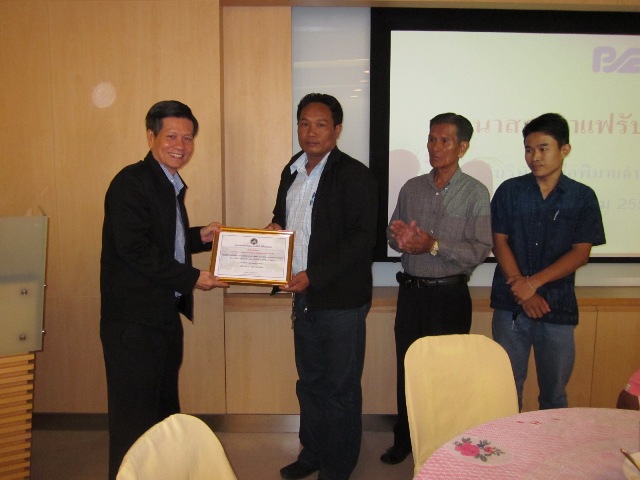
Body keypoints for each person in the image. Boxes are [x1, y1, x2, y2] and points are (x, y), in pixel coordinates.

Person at [100, 100, 229, 479]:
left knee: (162, 416)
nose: (181, 145)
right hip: (133, 325)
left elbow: (162, 240)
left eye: (188, 138)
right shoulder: (131, 183)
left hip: (161, 318)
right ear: (150, 136)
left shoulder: (167, 182)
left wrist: (200, 236)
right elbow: (136, 250)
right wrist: (192, 278)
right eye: (172, 136)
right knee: (133, 422)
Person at [266, 93, 378, 480]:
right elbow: (283, 219)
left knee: (340, 389)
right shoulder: (292, 170)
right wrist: (271, 234)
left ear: (337, 129)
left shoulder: (355, 175)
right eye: (304, 123)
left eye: (321, 124)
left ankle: (337, 466)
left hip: (341, 301)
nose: (310, 132)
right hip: (303, 298)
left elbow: (362, 239)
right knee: (310, 384)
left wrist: (314, 274)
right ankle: (312, 453)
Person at [381, 113, 492, 465]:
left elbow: (479, 249)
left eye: (445, 140)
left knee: (446, 374)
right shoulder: (411, 188)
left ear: (463, 147)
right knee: (408, 369)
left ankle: (444, 445)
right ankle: (405, 439)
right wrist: (399, 237)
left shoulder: (475, 192)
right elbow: (392, 234)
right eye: (431, 139)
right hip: (411, 294)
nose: (435, 147)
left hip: (449, 296)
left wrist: (432, 245)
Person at [490, 113, 606, 411]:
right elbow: (499, 242)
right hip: (510, 305)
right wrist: (522, 289)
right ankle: (508, 443)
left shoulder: (582, 197)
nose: (535, 157)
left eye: (543, 148)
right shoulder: (509, 191)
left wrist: (532, 285)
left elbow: (580, 253)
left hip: (557, 307)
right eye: (529, 149)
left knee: (554, 395)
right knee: (506, 390)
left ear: (564, 149)